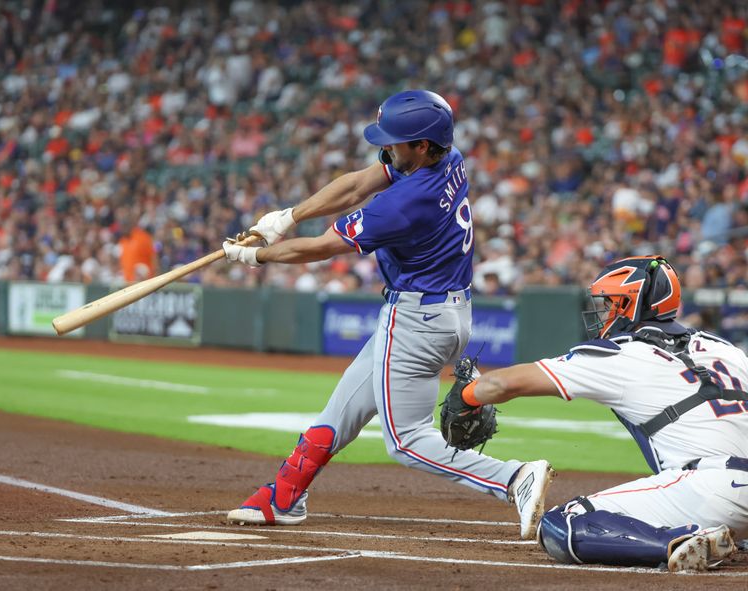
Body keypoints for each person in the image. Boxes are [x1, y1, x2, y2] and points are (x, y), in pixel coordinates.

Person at [221, 89, 554, 539]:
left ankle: (513, 478)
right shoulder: (447, 157)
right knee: (344, 408)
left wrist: (257, 258)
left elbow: (322, 248)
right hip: (444, 311)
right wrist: (286, 217)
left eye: (395, 141)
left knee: (405, 440)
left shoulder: (405, 202)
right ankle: (286, 495)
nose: (386, 148)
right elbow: (358, 182)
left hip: (417, 318)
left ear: (420, 145)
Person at [451, 255, 748, 571]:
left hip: (713, 489)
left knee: (560, 524)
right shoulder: (725, 349)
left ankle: (677, 542)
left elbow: (502, 384)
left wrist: (468, 396)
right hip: (726, 491)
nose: (602, 312)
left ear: (629, 305)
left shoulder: (620, 353)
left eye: (609, 303)